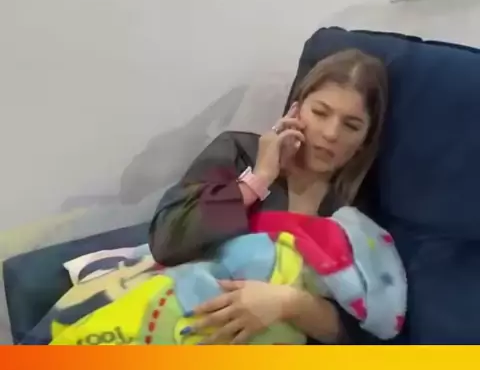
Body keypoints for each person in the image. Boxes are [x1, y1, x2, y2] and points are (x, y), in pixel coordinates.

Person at [149, 48, 388, 344]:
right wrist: (258, 180)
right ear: (296, 111)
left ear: (364, 140)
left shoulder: (351, 216)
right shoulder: (238, 152)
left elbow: (361, 332)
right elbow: (166, 240)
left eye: (351, 125)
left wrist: (288, 303)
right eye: (320, 112)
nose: (330, 133)